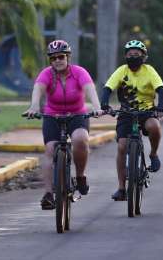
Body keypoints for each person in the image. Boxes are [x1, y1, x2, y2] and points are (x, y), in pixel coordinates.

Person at [24, 40, 103, 210]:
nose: (57, 61)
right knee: (50, 149)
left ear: (68, 57)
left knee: (80, 139)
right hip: (53, 115)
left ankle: (80, 176)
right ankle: (48, 193)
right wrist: (34, 106)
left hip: (77, 114)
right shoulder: (46, 74)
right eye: (53, 58)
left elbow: (90, 89)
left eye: (61, 57)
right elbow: (37, 90)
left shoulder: (79, 72)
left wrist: (96, 107)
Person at [100, 40, 163, 201]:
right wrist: (104, 104)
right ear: (125, 57)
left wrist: (160, 107)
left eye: (137, 54)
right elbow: (108, 88)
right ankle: (121, 188)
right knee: (122, 146)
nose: (133, 57)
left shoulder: (149, 70)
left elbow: (160, 89)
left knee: (155, 126)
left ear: (144, 57)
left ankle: (153, 153)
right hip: (126, 113)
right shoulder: (121, 71)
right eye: (129, 55)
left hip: (146, 112)